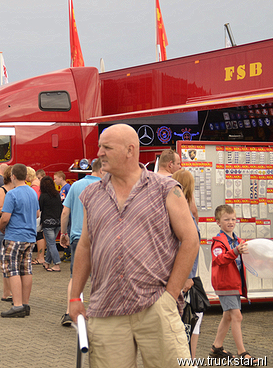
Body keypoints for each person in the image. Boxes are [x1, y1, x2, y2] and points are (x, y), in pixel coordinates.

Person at [69, 123, 198, 366]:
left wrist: (170, 295)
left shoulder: (166, 189)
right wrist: (75, 297)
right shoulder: (91, 195)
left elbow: (190, 239)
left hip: (156, 305)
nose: (99, 153)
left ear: (130, 150)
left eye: (107, 147)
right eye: (99, 147)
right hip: (106, 308)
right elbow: (85, 246)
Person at [209, 204, 257, 364]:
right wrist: (235, 251)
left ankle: (216, 347)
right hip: (225, 285)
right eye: (226, 219)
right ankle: (242, 353)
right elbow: (219, 260)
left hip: (234, 284)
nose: (231, 222)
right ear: (218, 222)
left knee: (227, 317)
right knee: (237, 316)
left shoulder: (239, 240)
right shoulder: (218, 242)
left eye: (233, 219)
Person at [59, 158, 104, 326]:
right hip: (100, 238)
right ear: (102, 171)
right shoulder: (106, 186)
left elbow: (65, 212)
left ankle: (68, 312)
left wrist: (63, 233)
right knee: (98, 277)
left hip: (78, 237)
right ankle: (96, 313)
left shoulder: (76, 186)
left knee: (75, 276)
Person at [0, 164, 40, 318]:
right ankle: (25, 303)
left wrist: (1, 227)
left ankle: (17, 305)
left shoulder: (11, 194)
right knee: (26, 269)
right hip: (30, 236)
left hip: (15, 235)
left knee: (12, 269)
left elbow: (5, 217)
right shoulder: (32, 192)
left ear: (13, 176)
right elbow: (37, 214)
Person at [172, 169, 203, 358]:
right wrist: (189, 275)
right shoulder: (185, 213)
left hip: (177, 274)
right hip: (182, 276)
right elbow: (190, 244)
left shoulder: (175, 208)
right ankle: (186, 359)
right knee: (189, 318)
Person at [0, 165, 14, 301]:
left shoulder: (17, 190)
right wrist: (11, 211)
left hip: (13, 227)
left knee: (11, 260)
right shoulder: (1, 191)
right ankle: (7, 292)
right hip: (2, 227)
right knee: (6, 259)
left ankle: (11, 290)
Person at [39, 176, 62, 272]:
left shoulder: (43, 196)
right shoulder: (57, 194)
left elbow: (39, 208)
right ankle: (47, 262)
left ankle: (57, 264)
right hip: (57, 223)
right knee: (50, 243)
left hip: (48, 223)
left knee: (51, 243)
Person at [27, 166, 45, 265]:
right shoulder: (39, 185)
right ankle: (40, 256)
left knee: (38, 235)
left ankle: (40, 257)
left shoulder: (34, 187)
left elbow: (34, 202)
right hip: (41, 212)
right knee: (39, 234)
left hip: (36, 213)